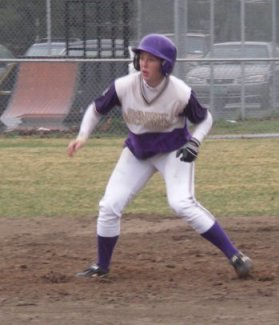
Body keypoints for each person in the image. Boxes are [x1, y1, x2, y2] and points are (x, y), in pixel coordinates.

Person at [67, 34, 253, 279]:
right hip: (137, 152)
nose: (144, 63)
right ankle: (101, 267)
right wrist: (82, 136)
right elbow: (96, 109)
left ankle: (235, 256)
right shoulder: (124, 86)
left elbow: (205, 119)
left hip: (173, 152)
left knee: (181, 203)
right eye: (142, 57)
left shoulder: (180, 92)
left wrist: (195, 142)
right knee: (109, 205)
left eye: (151, 59)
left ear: (165, 65)